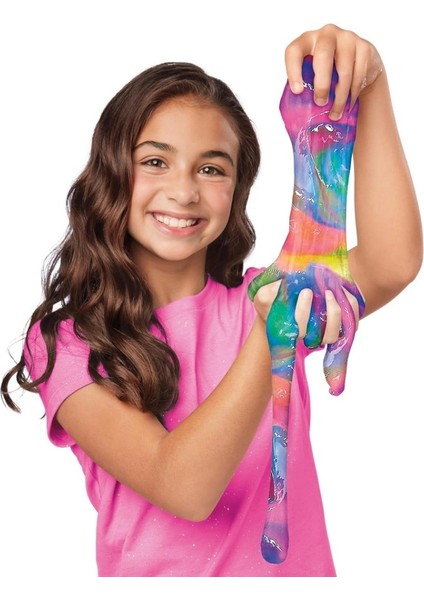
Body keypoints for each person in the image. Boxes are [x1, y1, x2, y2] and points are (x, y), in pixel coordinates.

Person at [1, 24, 422, 577]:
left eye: (211, 168)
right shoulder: (69, 343)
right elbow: (184, 487)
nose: (184, 191)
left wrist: (369, 89)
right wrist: (268, 336)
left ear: (236, 191)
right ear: (113, 171)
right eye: (155, 161)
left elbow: (393, 260)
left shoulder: (260, 298)